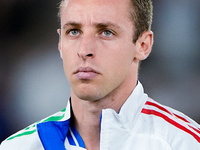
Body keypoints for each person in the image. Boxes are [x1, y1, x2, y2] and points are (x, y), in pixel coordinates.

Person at [1, 0, 200, 149]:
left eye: (106, 32)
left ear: (143, 45)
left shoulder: (184, 143)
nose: (84, 50)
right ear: (60, 43)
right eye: (74, 31)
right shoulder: (18, 146)